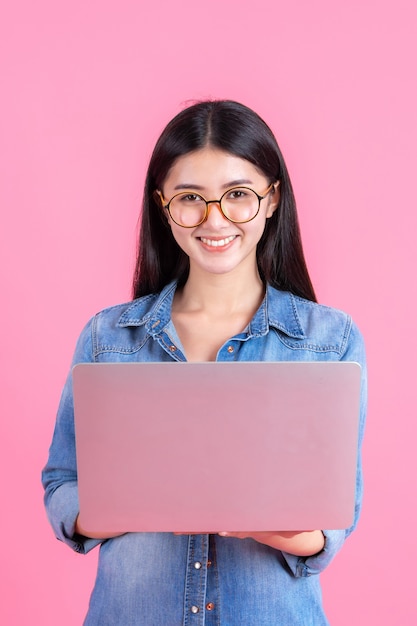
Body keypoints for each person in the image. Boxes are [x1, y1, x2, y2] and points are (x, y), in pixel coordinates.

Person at [42, 100, 367, 625]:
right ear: (162, 205)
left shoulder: (328, 341)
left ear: (272, 198)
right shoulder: (107, 338)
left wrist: (268, 522)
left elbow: (330, 522)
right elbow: (63, 484)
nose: (214, 220)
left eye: (238, 195)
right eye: (190, 198)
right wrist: (128, 502)